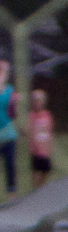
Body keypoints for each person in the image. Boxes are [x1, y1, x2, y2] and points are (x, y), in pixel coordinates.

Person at [26, 88, 52, 189]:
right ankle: (35, 193)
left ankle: (42, 193)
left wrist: (49, 148)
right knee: (36, 174)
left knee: (45, 173)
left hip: (45, 150)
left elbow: (49, 133)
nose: (37, 103)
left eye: (39, 101)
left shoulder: (47, 115)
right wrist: (32, 146)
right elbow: (29, 131)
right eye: (35, 101)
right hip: (36, 151)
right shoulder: (31, 116)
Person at [0, 59, 18, 195]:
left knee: (10, 166)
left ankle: (12, 194)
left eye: (5, 71)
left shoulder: (10, 91)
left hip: (9, 135)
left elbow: (14, 112)